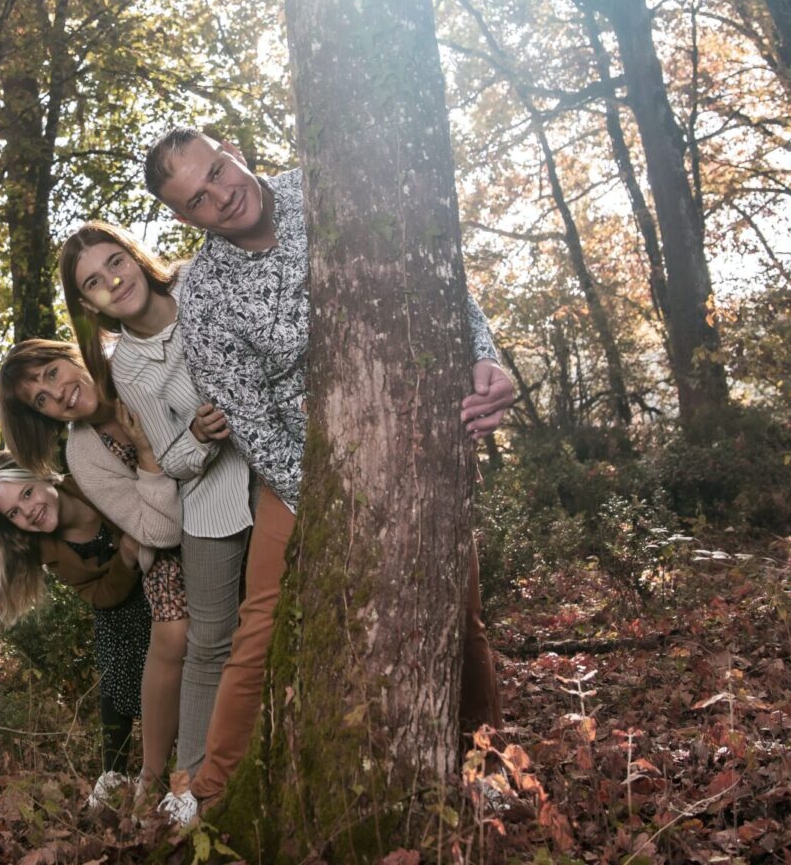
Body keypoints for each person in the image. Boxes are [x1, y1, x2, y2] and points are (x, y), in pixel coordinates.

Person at [144, 127, 516, 808]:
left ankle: (488, 769)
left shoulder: (327, 192)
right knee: (259, 623)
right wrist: (337, 507)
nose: (223, 195)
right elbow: (251, 421)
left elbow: (432, 279)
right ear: (183, 218)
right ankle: (209, 795)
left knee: (456, 613)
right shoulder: (202, 295)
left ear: (234, 150)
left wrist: (485, 354)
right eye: (198, 199)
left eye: (221, 171)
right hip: (301, 467)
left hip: (409, 437)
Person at [57, 221, 251, 782]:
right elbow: (172, 461)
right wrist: (198, 435)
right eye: (94, 282)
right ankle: (184, 781)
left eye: (115, 262)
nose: (113, 281)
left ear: (135, 257)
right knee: (200, 640)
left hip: (277, 467)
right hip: (205, 498)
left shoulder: (198, 281)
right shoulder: (125, 369)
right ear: (88, 305)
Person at [0, 341, 194, 822]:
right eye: (40, 399)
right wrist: (129, 549)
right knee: (126, 651)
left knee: (167, 638)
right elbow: (105, 591)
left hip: (194, 510)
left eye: (51, 373)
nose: (55, 393)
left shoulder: (131, 376)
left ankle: (165, 764)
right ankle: (130, 771)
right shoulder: (55, 538)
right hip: (135, 576)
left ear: (44, 480)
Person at [0, 451, 150, 810]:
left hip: (164, 568)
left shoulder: (91, 478)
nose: (28, 511)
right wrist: (127, 558)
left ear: (44, 477)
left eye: (27, 493)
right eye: (14, 513)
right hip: (122, 599)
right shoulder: (48, 549)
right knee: (115, 662)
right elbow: (100, 595)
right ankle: (114, 771)